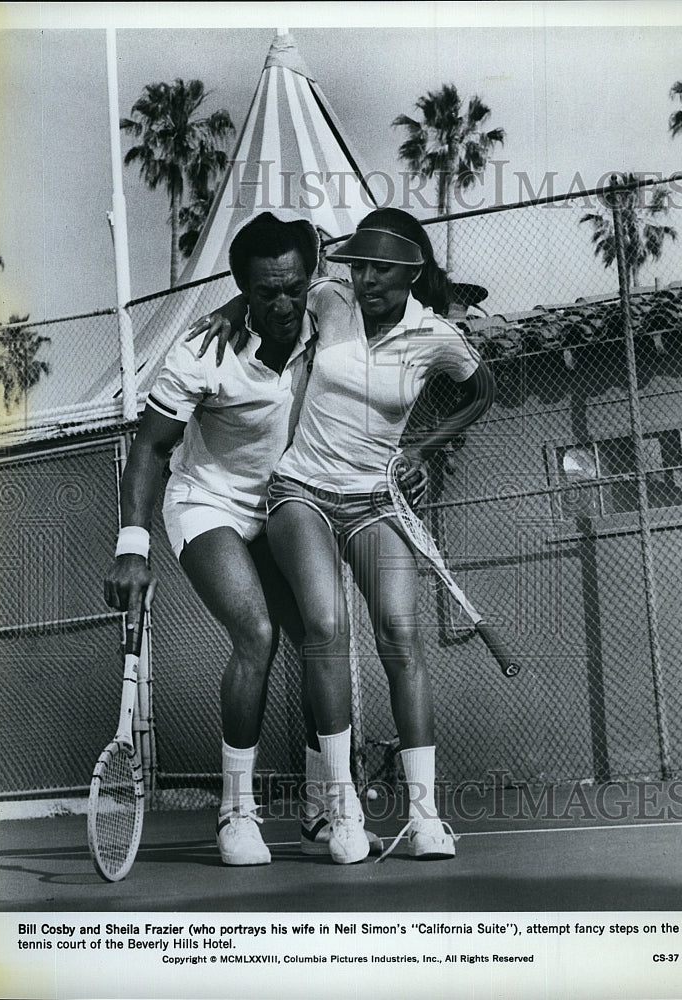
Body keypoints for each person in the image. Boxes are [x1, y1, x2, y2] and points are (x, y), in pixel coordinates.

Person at [191, 207, 495, 864]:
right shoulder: (329, 300)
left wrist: (423, 451)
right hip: (299, 492)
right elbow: (271, 281)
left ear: (411, 271)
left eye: (381, 267)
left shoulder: (436, 336)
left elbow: (482, 391)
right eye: (359, 264)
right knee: (325, 630)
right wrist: (227, 310)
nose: (365, 277)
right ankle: (342, 809)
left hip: (373, 501)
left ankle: (423, 818)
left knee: (401, 634)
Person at [104, 211, 328, 867]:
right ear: (244, 292)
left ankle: (322, 807)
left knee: (323, 632)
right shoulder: (200, 352)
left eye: (294, 287)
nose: (283, 304)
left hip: (285, 502)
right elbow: (148, 447)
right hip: (208, 503)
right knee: (255, 634)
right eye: (264, 293)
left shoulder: (332, 312)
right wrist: (132, 545)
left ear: (312, 277)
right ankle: (236, 814)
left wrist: (243, 300)